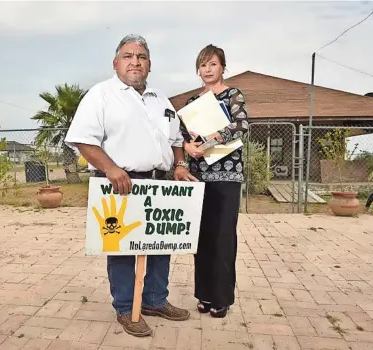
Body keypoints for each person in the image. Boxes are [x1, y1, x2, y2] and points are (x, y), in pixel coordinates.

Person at [64, 34, 196, 337]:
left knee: (161, 244)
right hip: (121, 183)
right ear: (116, 63)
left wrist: (179, 165)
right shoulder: (101, 95)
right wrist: (110, 168)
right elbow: (84, 139)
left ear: (149, 64)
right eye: (128, 56)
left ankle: (154, 300)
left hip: (159, 184)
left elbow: (176, 140)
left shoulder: (161, 99)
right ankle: (126, 307)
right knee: (123, 248)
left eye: (141, 56)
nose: (135, 61)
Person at [180, 44, 248, 318]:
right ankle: (205, 295)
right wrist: (187, 148)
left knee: (223, 237)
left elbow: (242, 125)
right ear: (198, 69)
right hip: (199, 177)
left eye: (213, 64)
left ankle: (222, 298)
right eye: (203, 65)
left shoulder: (233, 95)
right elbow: (181, 136)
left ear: (222, 67)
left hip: (227, 178)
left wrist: (209, 141)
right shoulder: (191, 103)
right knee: (202, 238)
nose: (207, 70)